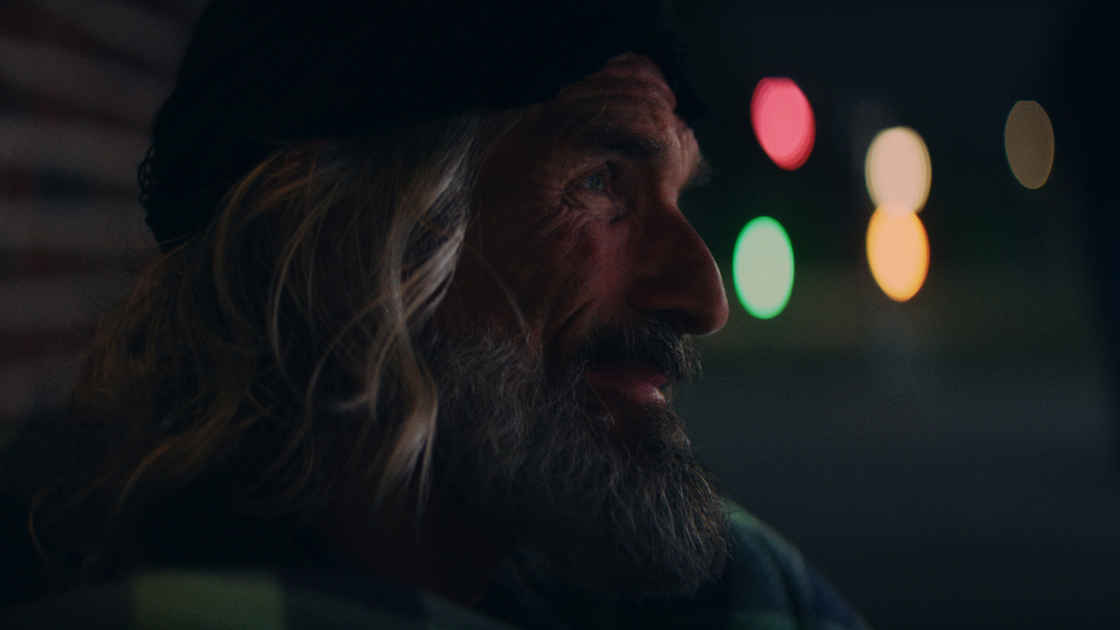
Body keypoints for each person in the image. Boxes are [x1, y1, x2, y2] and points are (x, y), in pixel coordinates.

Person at [0, 1, 870, 627]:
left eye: (678, 195)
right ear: (336, 241)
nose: (705, 298)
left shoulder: (742, 595)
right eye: (601, 181)